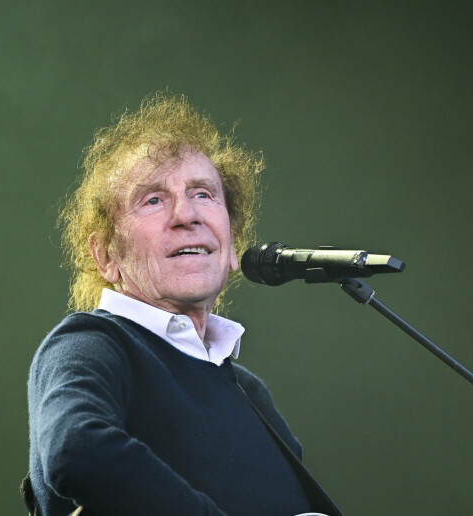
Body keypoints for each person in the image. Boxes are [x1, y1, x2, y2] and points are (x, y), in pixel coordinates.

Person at [26, 94, 340, 516]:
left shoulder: (249, 392)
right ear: (107, 257)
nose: (186, 214)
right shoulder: (92, 344)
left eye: (204, 194)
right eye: (153, 200)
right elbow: (76, 448)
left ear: (231, 247)